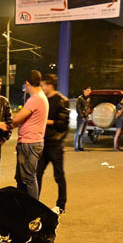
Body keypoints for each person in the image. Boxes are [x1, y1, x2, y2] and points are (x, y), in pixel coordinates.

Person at [0, 70, 48, 199]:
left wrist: (4, 125)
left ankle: (33, 207)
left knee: (29, 178)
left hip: (29, 143)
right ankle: (23, 204)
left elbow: (18, 119)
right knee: (21, 178)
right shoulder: (41, 97)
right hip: (33, 142)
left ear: (27, 83)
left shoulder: (35, 99)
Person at [36, 74, 70, 214]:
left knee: (59, 175)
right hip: (43, 142)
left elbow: (63, 123)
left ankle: (61, 205)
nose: (41, 88)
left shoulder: (62, 101)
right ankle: (34, 202)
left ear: (49, 85)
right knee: (37, 174)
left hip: (55, 144)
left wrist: (45, 121)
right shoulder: (43, 99)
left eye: (42, 85)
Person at [74, 86, 91, 151]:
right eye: (88, 90)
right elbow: (78, 108)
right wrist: (82, 116)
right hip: (81, 118)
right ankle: (76, 146)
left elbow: (88, 107)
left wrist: (88, 115)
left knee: (82, 133)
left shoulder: (88, 98)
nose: (89, 92)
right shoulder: (80, 98)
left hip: (86, 117)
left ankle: (80, 146)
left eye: (90, 90)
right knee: (78, 132)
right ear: (84, 91)